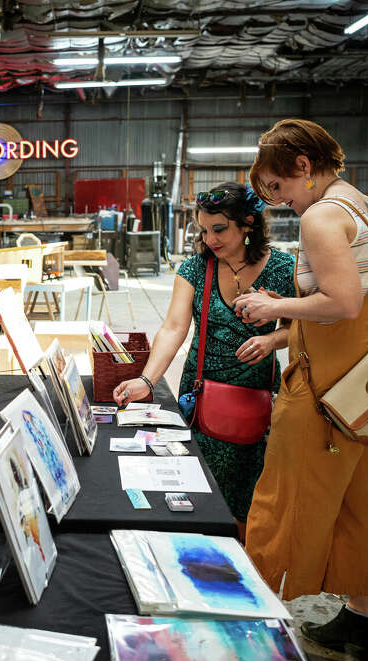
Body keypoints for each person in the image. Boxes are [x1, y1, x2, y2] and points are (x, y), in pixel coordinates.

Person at [233, 118, 368, 661]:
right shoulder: (364, 208)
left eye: (278, 188)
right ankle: (360, 623)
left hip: (325, 385)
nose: (280, 203)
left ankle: (248, 626)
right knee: (358, 501)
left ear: (304, 167)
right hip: (366, 384)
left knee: (279, 501)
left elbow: (343, 302)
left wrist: (274, 306)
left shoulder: (323, 216)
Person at [113, 182, 296, 528]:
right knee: (197, 498)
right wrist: (146, 381)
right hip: (201, 398)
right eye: (204, 230)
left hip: (257, 401)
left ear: (248, 223)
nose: (210, 238)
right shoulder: (196, 269)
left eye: (220, 229)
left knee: (251, 502)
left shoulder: (284, 269)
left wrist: (272, 340)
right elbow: (173, 328)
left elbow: (301, 328)